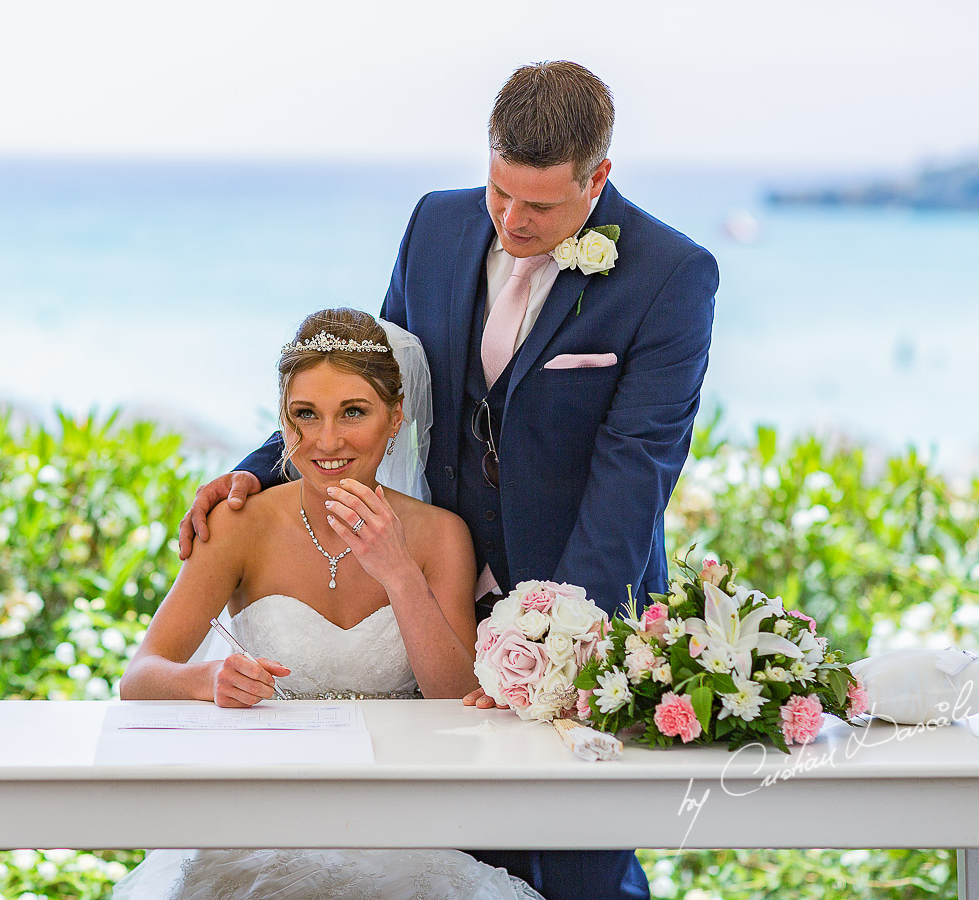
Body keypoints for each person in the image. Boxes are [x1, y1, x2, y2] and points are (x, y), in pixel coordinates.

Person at [180, 61, 719, 900]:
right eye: (500, 192)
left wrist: (554, 645)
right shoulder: (435, 224)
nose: (511, 220)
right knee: (457, 859)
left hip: (580, 599)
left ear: (598, 176)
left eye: (540, 206)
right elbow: (373, 379)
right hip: (436, 578)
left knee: (581, 865)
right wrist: (250, 476)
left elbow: (635, 470)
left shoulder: (671, 275)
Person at [113, 308, 544, 900]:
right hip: (260, 814)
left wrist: (399, 572)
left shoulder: (441, 534)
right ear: (283, 422)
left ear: (395, 418)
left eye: (354, 413)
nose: (327, 441)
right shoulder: (240, 526)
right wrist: (204, 679)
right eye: (305, 415)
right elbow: (139, 675)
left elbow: (454, 696)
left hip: (400, 820)